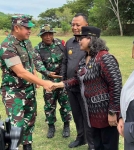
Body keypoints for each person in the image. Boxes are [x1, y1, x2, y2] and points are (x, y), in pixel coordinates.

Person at [53, 26, 122, 150]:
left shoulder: (104, 57)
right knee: (97, 144)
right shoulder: (84, 59)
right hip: (91, 113)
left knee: (108, 145)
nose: (79, 41)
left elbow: (116, 85)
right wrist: (60, 84)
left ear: (91, 39)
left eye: (82, 38)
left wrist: (113, 111)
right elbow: (76, 79)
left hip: (105, 113)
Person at [0, 14, 52, 150]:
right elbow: (20, 72)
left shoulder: (26, 42)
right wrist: (43, 82)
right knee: (17, 124)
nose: (29, 30)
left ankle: (27, 145)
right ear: (16, 28)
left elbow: (31, 62)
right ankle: (14, 147)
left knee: (30, 120)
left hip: (29, 90)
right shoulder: (7, 46)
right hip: (14, 92)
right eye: (26, 28)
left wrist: (34, 77)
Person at [61, 13, 95, 149]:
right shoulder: (69, 42)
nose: (74, 27)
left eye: (78, 25)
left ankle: (91, 143)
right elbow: (65, 62)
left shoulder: (92, 42)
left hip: (85, 87)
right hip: (70, 86)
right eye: (73, 24)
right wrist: (64, 79)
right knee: (76, 114)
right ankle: (81, 138)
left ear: (86, 26)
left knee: (88, 116)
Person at [33, 24, 72, 139]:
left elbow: (67, 58)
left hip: (62, 80)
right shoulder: (38, 48)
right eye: (45, 35)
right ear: (41, 36)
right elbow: (37, 63)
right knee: (49, 105)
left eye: (50, 34)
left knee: (65, 103)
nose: (48, 37)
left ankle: (66, 125)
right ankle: (51, 126)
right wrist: (47, 73)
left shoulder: (61, 44)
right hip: (48, 81)